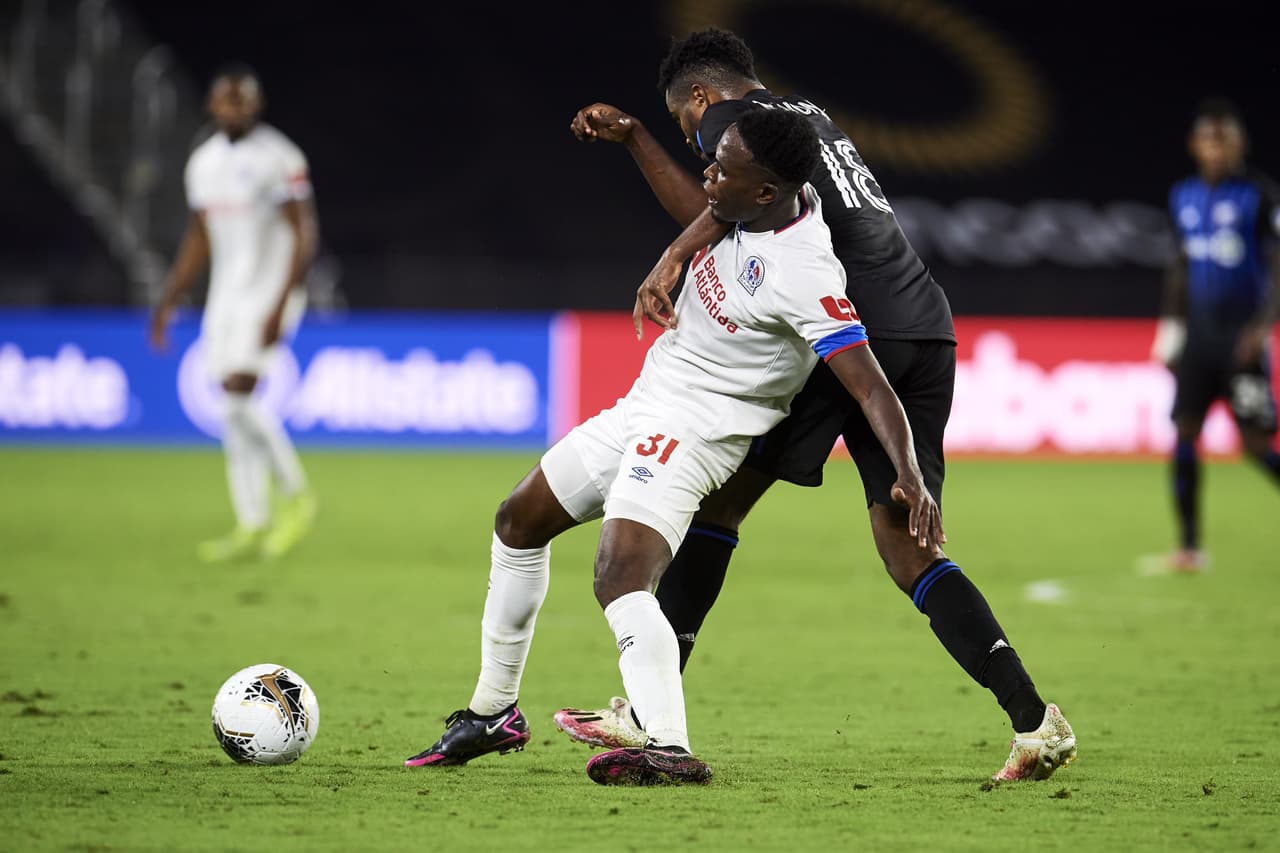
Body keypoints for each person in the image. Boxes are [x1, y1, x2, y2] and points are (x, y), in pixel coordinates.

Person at [557, 28, 1075, 783]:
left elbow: (718, 207)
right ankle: (1035, 720)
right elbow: (735, 210)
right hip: (925, 324)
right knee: (910, 546)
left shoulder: (729, 122)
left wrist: (662, 221)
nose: (706, 157)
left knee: (717, 509)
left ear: (702, 98)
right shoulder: (806, 115)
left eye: (691, 130)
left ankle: (647, 711)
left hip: (849, 339)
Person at [403, 109, 943, 786]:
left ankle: (670, 746)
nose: (709, 177)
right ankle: (493, 713)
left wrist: (910, 473)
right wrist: (668, 236)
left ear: (767, 192)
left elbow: (870, 387)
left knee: (618, 575)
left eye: (723, 169)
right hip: (645, 404)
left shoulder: (805, 273)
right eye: (713, 161)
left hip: (697, 433)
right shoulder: (760, 199)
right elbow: (715, 208)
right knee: (518, 521)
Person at [149, 64, 318, 563]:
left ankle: (297, 496)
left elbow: (302, 233)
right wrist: (168, 300)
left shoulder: (279, 157)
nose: (235, 108)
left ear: (256, 105)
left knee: (240, 398)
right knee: (229, 410)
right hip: (225, 296)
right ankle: (252, 522)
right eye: (227, 100)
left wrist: (282, 300)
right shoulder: (202, 163)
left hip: (268, 293)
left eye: (243, 100)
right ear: (212, 106)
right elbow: (199, 235)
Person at [1150, 99, 1280, 572]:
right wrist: (1171, 330)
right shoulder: (1182, 195)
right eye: (1209, 139)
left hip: (1241, 341)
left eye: (1224, 139)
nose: (1216, 148)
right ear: (1195, 145)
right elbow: (1180, 267)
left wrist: (1262, 328)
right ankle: (1187, 546)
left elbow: (1277, 264)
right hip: (1199, 342)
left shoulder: (1260, 196)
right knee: (1184, 430)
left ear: (1239, 144)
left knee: (1256, 446)